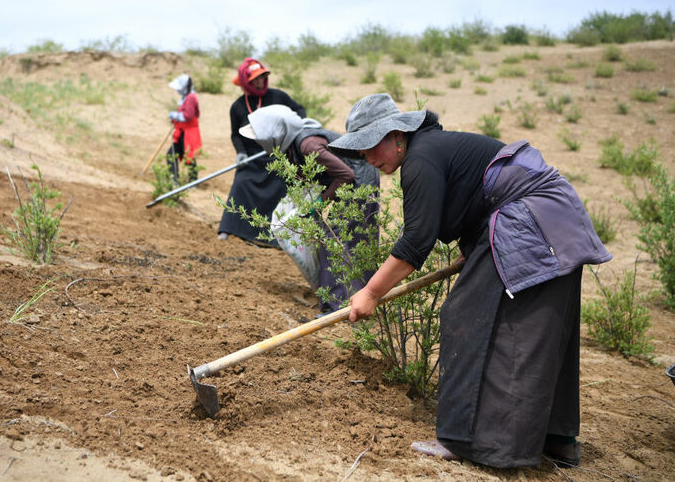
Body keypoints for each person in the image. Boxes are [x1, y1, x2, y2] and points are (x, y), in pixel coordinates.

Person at [329, 93, 612, 468]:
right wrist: (476, 248)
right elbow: (475, 196)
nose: (366, 157)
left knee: (468, 318)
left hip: (531, 220)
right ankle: (556, 439)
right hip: (554, 222)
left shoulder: (420, 158)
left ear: (398, 134)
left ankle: (470, 441)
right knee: (542, 326)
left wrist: (371, 292)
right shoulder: (433, 147)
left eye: (370, 145)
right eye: (359, 151)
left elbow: (416, 241)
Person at [239, 104, 379, 312]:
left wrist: (320, 202)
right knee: (349, 239)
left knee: (335, 240)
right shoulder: (295, 143)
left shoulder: (307, 145)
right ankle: (359, 299)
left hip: (359, 183)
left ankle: (336, 306)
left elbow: (346, 175)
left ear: (274, 134)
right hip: (352, 182)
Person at [218, 58, 306, 246]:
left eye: (262, 77)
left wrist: (297, 126)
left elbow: (300, 111)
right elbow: (235, 135)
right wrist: (240, 153)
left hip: (279, 153)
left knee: (286, 184)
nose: (260, 82)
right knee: (241, 182)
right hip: (252, 157)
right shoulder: (238, 107)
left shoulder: (279, 97)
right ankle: (229, 227)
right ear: (245, 83)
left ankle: (283, 234)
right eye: (254, 79)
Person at [167, 74, 201, 182]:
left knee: (188, 155)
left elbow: (188, 115)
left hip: (188, 133)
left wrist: (174, 115)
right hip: (183, 131)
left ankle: (190, 181)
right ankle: (176, 179)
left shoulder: (191, 98)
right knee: (176, 154)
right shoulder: (187, 97)